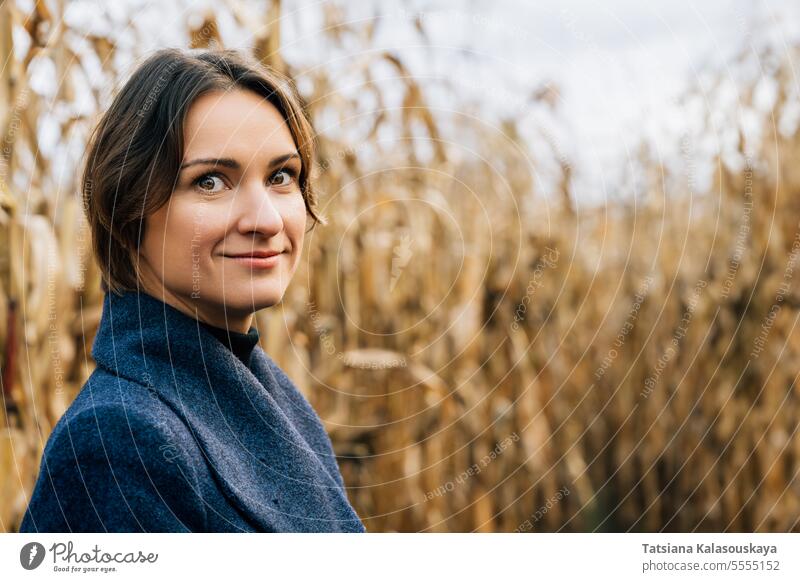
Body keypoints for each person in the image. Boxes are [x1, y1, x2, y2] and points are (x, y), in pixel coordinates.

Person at [19, 47, 365, 533]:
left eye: (281, 176)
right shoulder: (118, 445)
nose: (265, 220)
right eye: (210, 182)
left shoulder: (273, 400)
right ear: (129, 211)